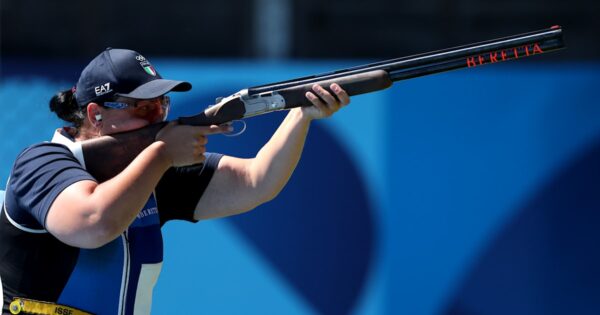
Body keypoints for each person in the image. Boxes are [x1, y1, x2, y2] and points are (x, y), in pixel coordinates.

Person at [0, 48, 350, 315]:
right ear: (97, 114)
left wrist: (301, 115)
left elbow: (257, 181)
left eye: (162, 106)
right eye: (143, 109)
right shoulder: (41, 162)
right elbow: (93, 223)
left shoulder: (153, 171)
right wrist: (164, 154)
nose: (159, 117)